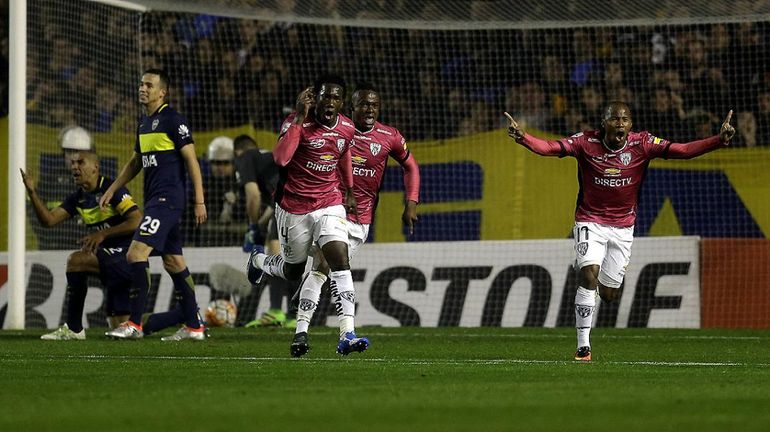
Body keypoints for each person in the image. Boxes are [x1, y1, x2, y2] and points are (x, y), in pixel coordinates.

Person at [503, 102, 735, 361]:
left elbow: (682, 150)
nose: (620, 124)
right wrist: (524, 138)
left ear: (631, 124)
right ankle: (583, 346)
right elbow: (550, 148)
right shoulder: (585, 142)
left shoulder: (643, 144)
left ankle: (592, 274)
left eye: (625, 120)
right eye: (615, 119)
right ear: (604, 123)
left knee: (609, 294)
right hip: (589, 221)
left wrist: (718, 140)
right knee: (588, 275)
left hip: (623, 227)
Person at [289, 83, 420, 357]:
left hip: (361, 218)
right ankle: (338, 333)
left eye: (373, 105)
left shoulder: (389, 137)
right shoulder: (340, 129)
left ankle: (301, 326)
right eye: (363, 104)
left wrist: (411, 202)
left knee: (319, 271)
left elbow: (410, 166)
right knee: (326, 265)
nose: (369, 109)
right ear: (352, 107)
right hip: (330, 208)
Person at [245, 74, 366, 356]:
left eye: (336, 98)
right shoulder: (295, 123)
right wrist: (299, 117)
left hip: (329, 202)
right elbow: (281, 159)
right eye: (326, 96)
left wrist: (348, 189)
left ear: (342, 102)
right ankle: (260, 261)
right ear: (316, 97)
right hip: (293, 207)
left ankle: (347, 332)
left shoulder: (347, 127)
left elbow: (344, 152)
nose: (330, 102)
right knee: (293, 271)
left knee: (339, 257)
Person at [99, 68, 208, 341]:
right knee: (173, 262)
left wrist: (200, 200)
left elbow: (192, 162)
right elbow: (135, 162)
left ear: (162, 92)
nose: (142, 88)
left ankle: (134, 324)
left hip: (168, 200)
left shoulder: (174, 120)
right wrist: (112, 189)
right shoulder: (144, 124)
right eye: (141, 84)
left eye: (149, 85)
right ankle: (195, 326)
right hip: (156, 202)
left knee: (136, 254)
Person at [21, 151, 141, 339]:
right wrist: (32, 192)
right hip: (110, 262)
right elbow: (49, 221)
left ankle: (74, 328)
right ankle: (179, 316)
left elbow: (137, 221)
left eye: (80, 162)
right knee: (122, 329)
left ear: (95, 168)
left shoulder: (112, 188)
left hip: (128, 256)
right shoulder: (78, 198)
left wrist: (103, 234)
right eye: (73, 162)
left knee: (76, 260)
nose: (74, 166)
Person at [233, 134, 297, 328]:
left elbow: (253, 196)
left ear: (237, 152)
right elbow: (272, 203)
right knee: (288, 257)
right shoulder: (269, 159)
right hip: (300, 199)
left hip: (289, 202)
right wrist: (261, 225)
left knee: (276, 253)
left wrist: (252, 226)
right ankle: (292, 315)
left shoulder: (245, 158)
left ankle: (279, 312)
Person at [30, 126, 95, 250]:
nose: (73, 157)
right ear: (63, 153)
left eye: (78, 152)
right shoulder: (48, 181)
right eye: (69, 152)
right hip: (51, 249)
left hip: (86, 250)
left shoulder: (97, 182)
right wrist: (47, 235)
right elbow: (33, 211)